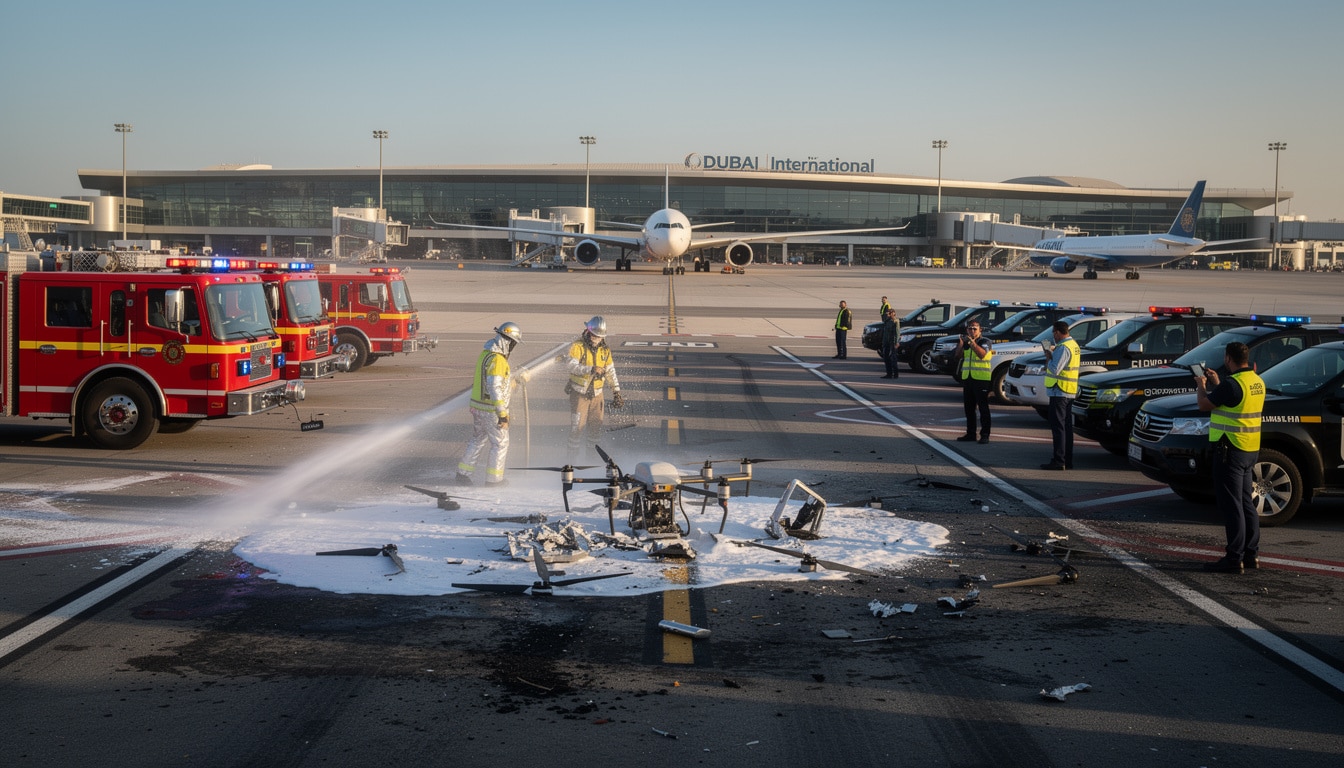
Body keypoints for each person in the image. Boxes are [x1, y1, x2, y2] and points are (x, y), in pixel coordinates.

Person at [1195, 341, 1265, 574]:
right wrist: (1218, 383)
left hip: (1231, 450)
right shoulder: (1256, 381)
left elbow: (1204, 405)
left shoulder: (1233, 384)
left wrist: (1201, 385)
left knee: (1232, 505)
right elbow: (1235, 402)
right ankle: (1251, 554)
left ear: (1228, 359)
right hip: (1250, 448)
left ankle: (1234, 558)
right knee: (1246, 503)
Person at [456, 322, 522, 487]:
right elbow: (493, 387)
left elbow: (491, 383)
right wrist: (502, 414)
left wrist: (513, 382)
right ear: (507, 341)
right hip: (491, 410)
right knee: (500, 443)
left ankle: (463, 474)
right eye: (513, 343)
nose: (513, 346)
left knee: (477, 439)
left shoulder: (485, 354)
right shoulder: (498, 360)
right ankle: (494, 480)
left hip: (478, 407)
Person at [565, 315, 623, 461]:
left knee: (595, 430)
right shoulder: (577, 346)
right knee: (576, 429)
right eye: (593, 335)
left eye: (598, 336)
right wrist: (591, 369)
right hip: (580, 394)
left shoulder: (605, 350)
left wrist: (616, 392)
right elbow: (571, 366)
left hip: (597, 394)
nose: (595, 338)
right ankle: (571, 460)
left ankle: (591, 459)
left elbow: (610, 371)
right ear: (588, 331)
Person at [1040, 321, 1080, 470]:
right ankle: (1066, 460)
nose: (1053, 337)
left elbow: (1055, 368)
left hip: (1060, 392)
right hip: (1068, 390)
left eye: (1053, 333)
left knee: (1058, 428)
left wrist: (1048, 356)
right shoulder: (1073, 345)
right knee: (1066, 428)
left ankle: (1059, 460)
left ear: (1057, 332)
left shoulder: (1063, 347)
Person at [954, 321, 993, 444]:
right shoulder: (966, 342)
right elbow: (957, 356)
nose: (972, 331)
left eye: (975, 329)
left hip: (981, 379)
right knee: (969, 408)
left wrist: (971, 342)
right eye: (970, 329)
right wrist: (961, 344)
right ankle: (971, 433)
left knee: (983, 408)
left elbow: (982, 355)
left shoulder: (985, 342)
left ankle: (985, 434)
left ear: (980, 330)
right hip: (968, 378)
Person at [879, 307, 901, 379]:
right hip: (886, 342)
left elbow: (897, 333)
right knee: (886, 358)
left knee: (893, 358)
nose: (887, 315)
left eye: (888, 314)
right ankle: (889, 373)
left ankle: (895, 374)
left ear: (892, 313)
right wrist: (883, 342)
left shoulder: (895, 321)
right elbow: (885, 333)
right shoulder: (887, 321)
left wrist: (897, 342)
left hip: (892, 342)